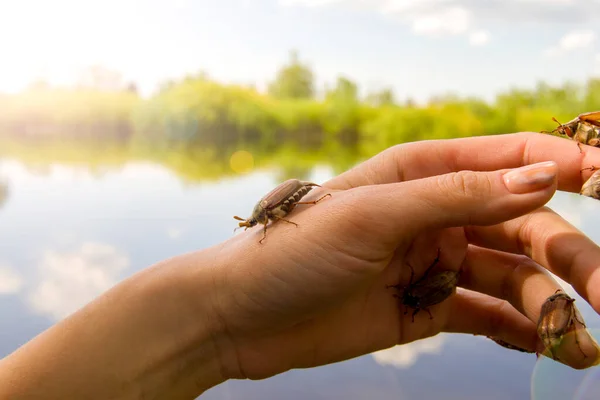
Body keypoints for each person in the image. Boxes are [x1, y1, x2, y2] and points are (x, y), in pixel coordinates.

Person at [1, 131, 600, 399]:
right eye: (260, 224)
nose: (261, 225)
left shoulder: (287, 205)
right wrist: (215, 321)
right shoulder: (272, 220)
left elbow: (292, 204)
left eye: (260, 223)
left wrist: (212, 325)